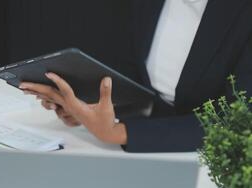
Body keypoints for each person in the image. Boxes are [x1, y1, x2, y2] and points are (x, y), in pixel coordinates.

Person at [19, 0, 252, 152]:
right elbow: (136, 73)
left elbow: (237, 123)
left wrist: (116, 132)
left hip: (203, 161)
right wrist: (91, 108)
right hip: (143, 140)